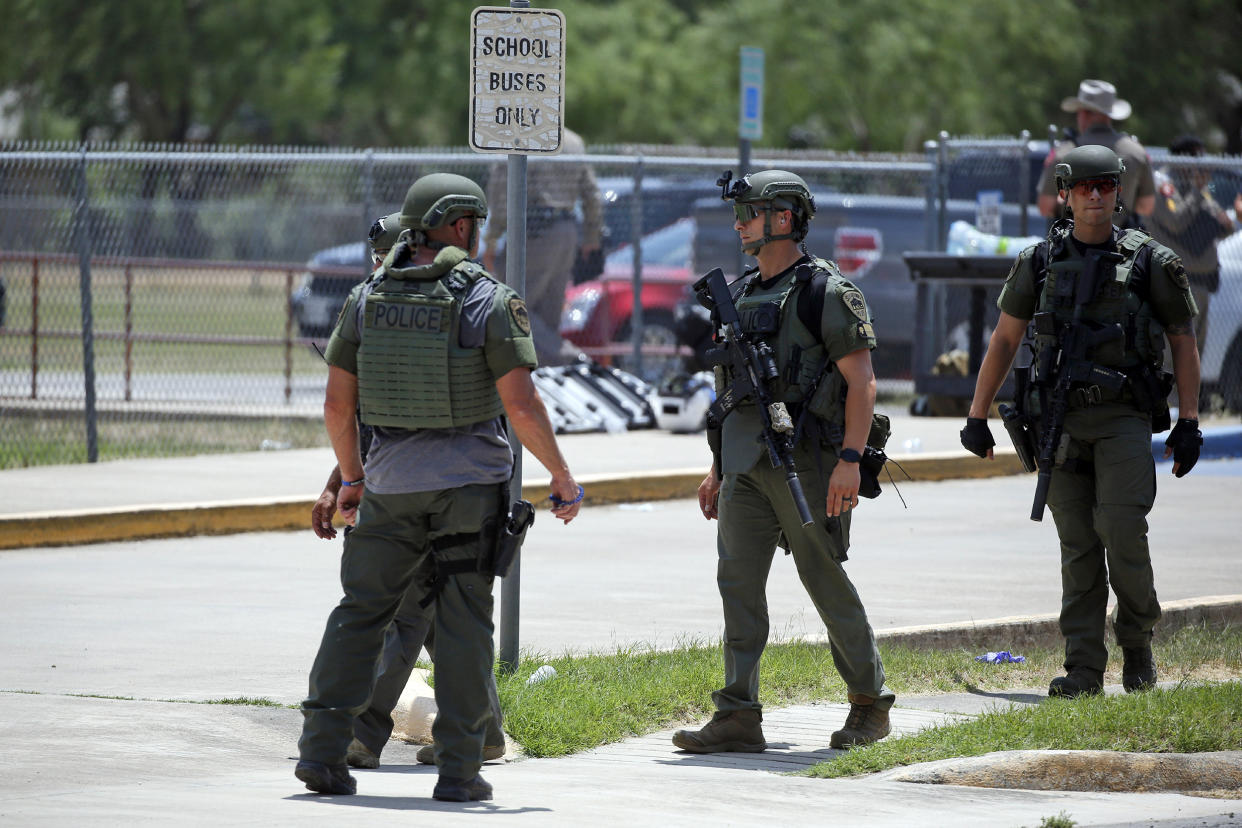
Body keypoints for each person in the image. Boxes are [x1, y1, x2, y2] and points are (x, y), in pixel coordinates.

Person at [295, 172, 583, 802]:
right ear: (458, 225)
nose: (478, 235)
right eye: (474, 224)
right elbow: (524, 406)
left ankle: (321, 753)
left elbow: (338, 408)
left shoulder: (367, 296)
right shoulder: (486, 298)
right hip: (468, 491)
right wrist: (561, 476)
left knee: (361, 612)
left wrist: (350, 479)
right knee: (461, 622)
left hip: (389, 486)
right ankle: (458, 770)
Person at [961, 145, 1203, 699]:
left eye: (1106, 185)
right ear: (1065, 194)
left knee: (1121, 530)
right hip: (1059, 422)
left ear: (1119, 192)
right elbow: (1005, 338)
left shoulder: (1151, 263)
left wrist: (1189, 421)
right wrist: (977, 415)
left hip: (1123, 416)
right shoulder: (1038, 262)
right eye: (1084, 186)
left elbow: (1182, 342)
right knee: (1077, 545)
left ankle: (1137, 643)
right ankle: (1083, 668)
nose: (1096, 196)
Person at [672, 170, 895, 755]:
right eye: (741, 212)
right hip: (745, 465)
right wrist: (717, 468)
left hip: (811, 464)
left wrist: (850, 459)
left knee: (823, 576)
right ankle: (738, 715)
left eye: (751, 211)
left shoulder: (827, 292)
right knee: (738, 585)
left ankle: (870, 704)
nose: (739, 222)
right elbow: (727, 397)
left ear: (786, 219)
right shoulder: (740, 294)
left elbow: (863, 384)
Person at [309, 210, 506, 772]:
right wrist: (336, 485)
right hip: (393, 486)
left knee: (399, 616)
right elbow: (363, 420)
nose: (378, 267)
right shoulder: (380, 307)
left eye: (386, 255)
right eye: (374, 258)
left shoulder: (444, 313)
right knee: (441, 621)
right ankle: (482, 731)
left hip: (426, 494)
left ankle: (357, 734)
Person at [482, 127, 603, 365]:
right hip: (567, 230)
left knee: (510, 306)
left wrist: (492, 238)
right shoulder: (574, 141)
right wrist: (591, 237)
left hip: (532, 231)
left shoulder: (517, 135)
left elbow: (501, 193)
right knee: (547, 316)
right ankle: (547, 375)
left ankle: (567, 358)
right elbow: (592, 195)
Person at [1143, 134, 1241, 352]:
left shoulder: (1196, 188)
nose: (1202, 166)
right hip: (1176, 281)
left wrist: (1200, 195)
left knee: (1196, 353)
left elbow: (1224, 225)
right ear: (1183, 159)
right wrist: (1197, 192)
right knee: (1175, 355)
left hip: (1202, 283)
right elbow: (1176, 221)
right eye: (1197, 160)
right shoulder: (1163, 185)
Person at [1037, 80, 1155, 229]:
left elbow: (1045, 206)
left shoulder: (1064, 153)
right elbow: (1146, 206)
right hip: (1123, 246)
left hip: (1073, 245)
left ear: (1083, 113)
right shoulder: (1137, 153)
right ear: (1110, 113)